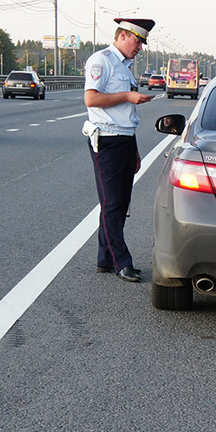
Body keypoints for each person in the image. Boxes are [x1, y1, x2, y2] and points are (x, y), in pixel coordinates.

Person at [83, 18, 155, 282]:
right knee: (112, 204)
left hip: (125, 139)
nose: (140, 48)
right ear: (123, 35)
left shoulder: (125, 65)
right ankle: (121, 262)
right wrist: (127, 96)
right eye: (137, 41)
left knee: (120, 204)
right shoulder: (101, 61)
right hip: (107, 141)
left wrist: (134, 149)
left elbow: (127, 115)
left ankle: (105, 257)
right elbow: (91, 99)